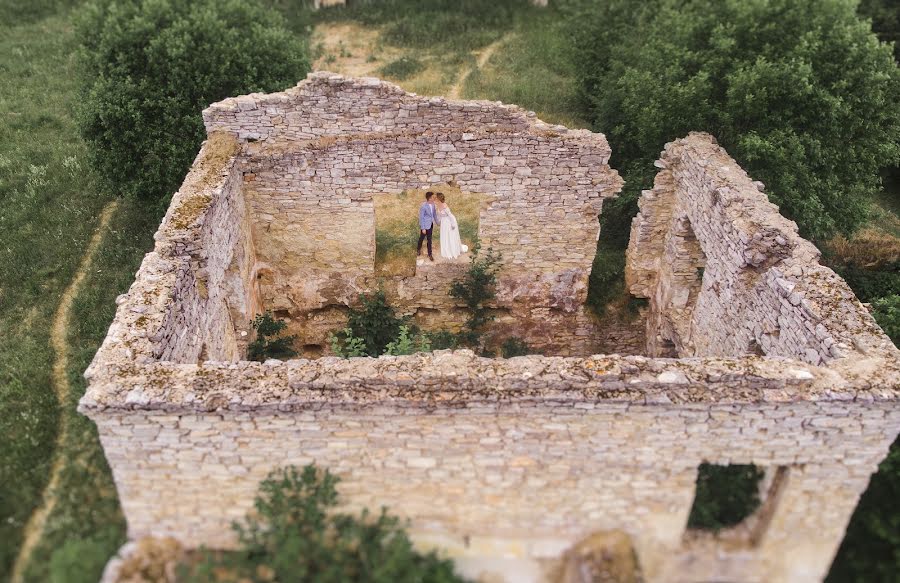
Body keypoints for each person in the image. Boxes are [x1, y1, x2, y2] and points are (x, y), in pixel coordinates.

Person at [435, 192, 468, 260]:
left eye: (436, 198)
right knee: (445, 236)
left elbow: (450, 215)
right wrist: (438, 222)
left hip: (449, 222)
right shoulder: (438, 206)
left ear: (439, 198)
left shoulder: (444, 205)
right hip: (444, 222)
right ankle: (446, 250)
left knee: (450, 235)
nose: (435, 199)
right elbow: (439, 216)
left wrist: (453, 224)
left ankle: (452, 251)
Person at [417, 191, 437, 261]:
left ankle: (430, 254)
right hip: (425, 226)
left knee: (429, 240)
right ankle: (418, 249)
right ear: (429, 198)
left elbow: (434, 214)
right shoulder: (423, 206)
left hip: (430, 224)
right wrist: (423, 228)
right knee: (421, 238)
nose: (434, 198)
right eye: (432, 197)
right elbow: (421, 217)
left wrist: (437, 222)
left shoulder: (433, 205)